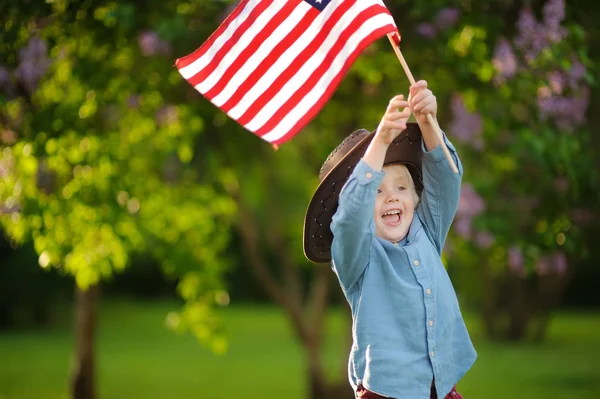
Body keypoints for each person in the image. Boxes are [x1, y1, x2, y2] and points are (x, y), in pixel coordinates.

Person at [303, 80, 477, 399]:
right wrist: (381, 140)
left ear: (415, 196)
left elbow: (448, 178)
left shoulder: (427, 231)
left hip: (441, 389)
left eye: (400, 188)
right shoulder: (358, 258)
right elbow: (350, 218)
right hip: (386, 393)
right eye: (377, 191)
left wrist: (428, 122)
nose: (391, 198)